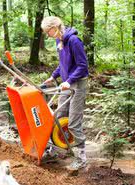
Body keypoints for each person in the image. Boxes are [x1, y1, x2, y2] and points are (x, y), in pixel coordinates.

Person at [41, 16, 89, 170]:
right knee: (58, 118)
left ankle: (81, 158)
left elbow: (82, 66)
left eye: (49, 31)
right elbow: (63, 64)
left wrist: (69, 81)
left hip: (78, 84)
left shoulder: (74, 41)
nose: (48, 35)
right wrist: (54, 76)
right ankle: (55, 151)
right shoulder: (59, 40)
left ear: (56, 27)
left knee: (74, 123)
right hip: (67, 84)